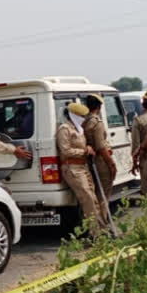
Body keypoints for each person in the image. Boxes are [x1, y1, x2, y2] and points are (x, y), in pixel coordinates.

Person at [55, 102, 110, 238]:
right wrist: (84, 151)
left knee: (94, 199)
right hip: (72, 168)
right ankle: (96, 233)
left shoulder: (79, 129)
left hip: (83, 167)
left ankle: (101, 230)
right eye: (80, 116)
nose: (83, 118)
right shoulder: (65, 129)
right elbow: (65, 150)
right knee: (88, 199)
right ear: (73, 115)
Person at [82, 94, 117, 220]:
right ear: (99, 106)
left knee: (97, 193)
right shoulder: (97, 122)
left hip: (91, 161)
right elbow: (101, 147)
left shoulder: (85, 122)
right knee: (103, 195)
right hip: (101, 161)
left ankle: (99, 223)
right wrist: (111, 164)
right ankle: (103, 223)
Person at [130, 97, 147, 195]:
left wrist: (135, 162)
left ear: (142, 106)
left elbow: (135, 144)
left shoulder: (138, 120)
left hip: (146, 155)